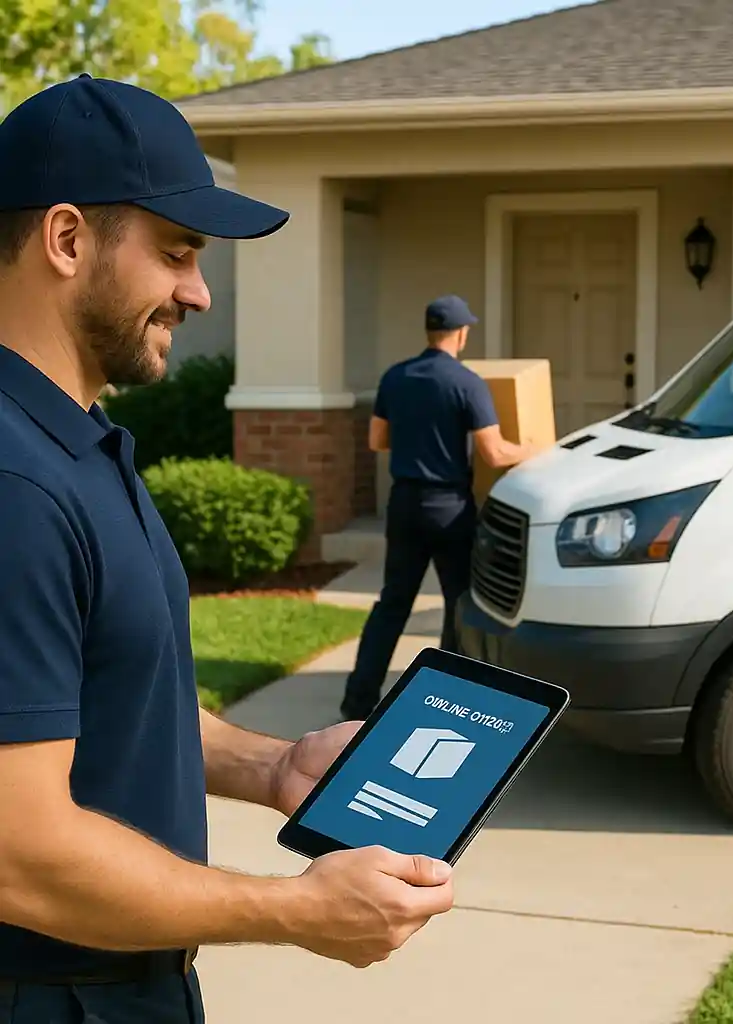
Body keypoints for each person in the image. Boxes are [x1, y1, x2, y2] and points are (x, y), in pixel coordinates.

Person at [0, 75, 454, 1023]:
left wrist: (273, 768)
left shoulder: (74, 447)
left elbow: (112, 700)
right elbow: (18, 851)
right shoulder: (16, 484)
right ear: (68, 239)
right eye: (176, 253)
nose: (199, 293)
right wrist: (292, 911)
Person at [340, 296, 534, 721]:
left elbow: (376, 441)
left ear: (428, 331)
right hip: (449, 507)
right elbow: (495, 452)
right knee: (458, 603)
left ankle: (358, 700)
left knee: (393, 602)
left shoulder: (396, 377)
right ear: (462, 333)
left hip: (405, 503)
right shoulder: (467, 383)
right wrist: (536, 448)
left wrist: (414, 440)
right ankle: (444, 696)